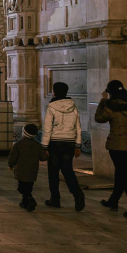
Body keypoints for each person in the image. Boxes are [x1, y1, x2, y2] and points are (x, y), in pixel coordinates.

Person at [94, 79, 127, 219]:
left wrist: (103, 101)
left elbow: (99, 118)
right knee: (122, 173)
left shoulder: (111, 106)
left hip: (118, 145)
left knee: (124, 176)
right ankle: (113, 200)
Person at [41, 81, 86, 211]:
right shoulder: (73, 106)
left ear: (54, 92)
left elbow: (47, 128)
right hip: (69, 143)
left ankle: (55, 199)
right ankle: (78, 194)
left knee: (53, 173)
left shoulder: (51, 106)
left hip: (55, 143)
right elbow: (78, 127)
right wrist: (77, 145)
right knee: (68, 171)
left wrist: (44, 147)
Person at [8, 123, 49, 212]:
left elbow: (12, 157)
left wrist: (11, 165)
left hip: (21, 171)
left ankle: (30, 200)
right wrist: (46, 155)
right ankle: (25, 202)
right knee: (29, 187)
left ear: (24, 133)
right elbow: (43, 158)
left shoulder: (18, 144)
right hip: (32, 171)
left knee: (21, 188)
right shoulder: (37, 145)